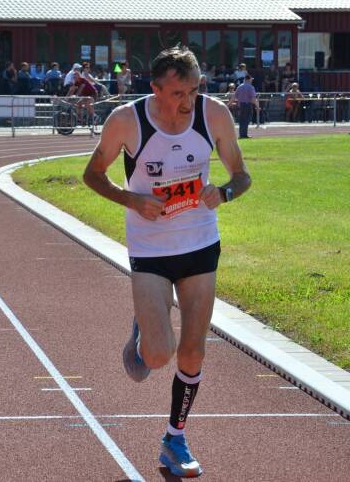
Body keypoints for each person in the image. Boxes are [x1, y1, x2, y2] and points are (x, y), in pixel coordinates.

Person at [82, 45, 251, 478]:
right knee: (156, 358)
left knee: (193, 352)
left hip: (199, 244)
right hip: (151, 249)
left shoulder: (212, 116)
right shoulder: (127, 121)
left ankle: (174, 439)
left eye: (193, 90)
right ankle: (143, 330)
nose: (186, 101)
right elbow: (92, 174)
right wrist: (132, 200)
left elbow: (241, 175)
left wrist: (225, 192)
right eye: (177, 92)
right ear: (156, 88)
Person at [228, 73, 260, 139]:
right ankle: (244, 134)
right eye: (251, 79)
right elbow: (253, 98)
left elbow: (234, 97)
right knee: (246, 119)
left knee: (242, 120)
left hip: (241, 105)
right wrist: (257, 106)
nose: (251, 81)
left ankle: (242, 134)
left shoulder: (240, 87)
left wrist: (228, 104)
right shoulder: (251, 87)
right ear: (248, 80)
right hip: (247, 105)